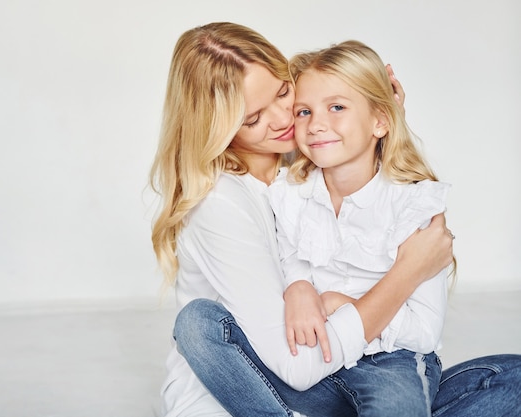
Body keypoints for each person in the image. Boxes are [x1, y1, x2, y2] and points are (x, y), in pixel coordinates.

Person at [149, 22, 521, 417]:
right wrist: (406, 272)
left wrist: (380, 116)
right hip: (266, 382)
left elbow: (366, 166)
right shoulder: (220, 203)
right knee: (198, 323)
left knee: (511, 377)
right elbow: (298, 368)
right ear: (217, 127)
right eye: (254, 118)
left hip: (345, 363)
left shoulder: (299, 161)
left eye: (282, 93)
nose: (283, 120)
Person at [267, 40, 453, 417]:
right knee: (206, 329)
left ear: (380, 121)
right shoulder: (290, 192)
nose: (316, 124)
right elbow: (288, 252)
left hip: (392, 361)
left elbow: (424, 333)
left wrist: (343, 305)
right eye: (303, 111)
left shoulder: (413, 206)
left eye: (336, 107)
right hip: (316, 356)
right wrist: (299, 284)